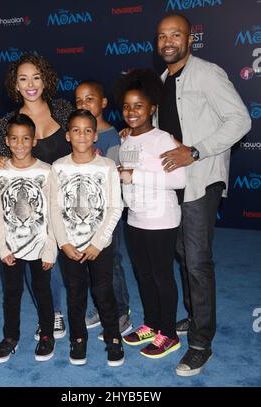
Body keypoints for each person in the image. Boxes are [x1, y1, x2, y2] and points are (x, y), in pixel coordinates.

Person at [156, 13, 251, 375]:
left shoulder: (208, 73)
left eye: (175, 34)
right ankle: (195, 315)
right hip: (175, 183)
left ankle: (200, 342)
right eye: (162, 36)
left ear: (190, 39)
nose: (168, 41)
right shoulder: (164, 80)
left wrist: (194, 150)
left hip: (201, 179)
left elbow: (240, 120)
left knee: (196, 260)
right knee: (183, 252)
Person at [0, 53, 73, 341]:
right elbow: (8, 166)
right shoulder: (8, 123)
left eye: (36, 77)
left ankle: (100, 310)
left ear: (46, 80)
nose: (30, 84)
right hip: (35, 210)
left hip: (69, 199)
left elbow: (84, 136)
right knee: (39, 263)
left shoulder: (63, 109)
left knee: (80, 260)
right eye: (23, 78)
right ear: (15, 85)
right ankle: (51, 313)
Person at [115, 68, 186, 360]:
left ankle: (168, 334)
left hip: (161, 219)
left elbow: (179, 181)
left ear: (152, 108)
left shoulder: (163, 139)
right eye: (127, 106)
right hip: (135, 218)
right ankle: (152, 325)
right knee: (143, 275)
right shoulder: (126, 139)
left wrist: (136, 175)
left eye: (139, 105)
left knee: (161, 276)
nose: (132, 112)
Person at [50, 109, 124, 367]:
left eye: (88, 130)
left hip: (99, 245)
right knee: (76, 294)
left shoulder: (107, 167)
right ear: (68, 135)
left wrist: (98, 243)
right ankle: (78, 339)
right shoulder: (58, 167)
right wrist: (64, 242)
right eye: (76, 130)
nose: (82, 135)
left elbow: (116, 207)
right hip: (70, 246)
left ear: (95, 135)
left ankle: (114, 338)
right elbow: (54, 210)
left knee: (104, 292)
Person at [0, 114, 56, 363]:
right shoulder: (0, 172)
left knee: (43, 292)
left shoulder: (47, 172)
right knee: (12, 293)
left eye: (25, 138)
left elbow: (53, 215)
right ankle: (10, 337)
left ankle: (47, 335)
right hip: (11, 247)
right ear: (7, 141)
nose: (20, 144)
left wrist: (51, 249)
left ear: (34, 140)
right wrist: (2, 247)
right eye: (15, 139)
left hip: (40, 246)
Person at [75, 80, 133, 339]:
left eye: (89, 99)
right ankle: (102, 307)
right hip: (83, 212)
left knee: (112, 262)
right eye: (78, 101)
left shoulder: (115, 137)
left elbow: (114, 179)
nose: (83, 105)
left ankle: (121, 313)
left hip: (108, 212)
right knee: (90, 263)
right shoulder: (77, 134)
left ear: (103, 103)